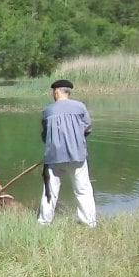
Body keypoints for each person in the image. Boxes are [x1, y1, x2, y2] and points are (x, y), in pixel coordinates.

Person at [37, 79, 97, 228]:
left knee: (50, 191)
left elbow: (45, 135)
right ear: (67, 92)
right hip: (77, 155)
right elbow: (87, 128)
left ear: (56, 92)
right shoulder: (80, 107)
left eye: (53, 92)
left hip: (54, 157)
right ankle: (89, 222)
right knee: (83, 189)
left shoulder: (47, 111)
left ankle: (44, 222)